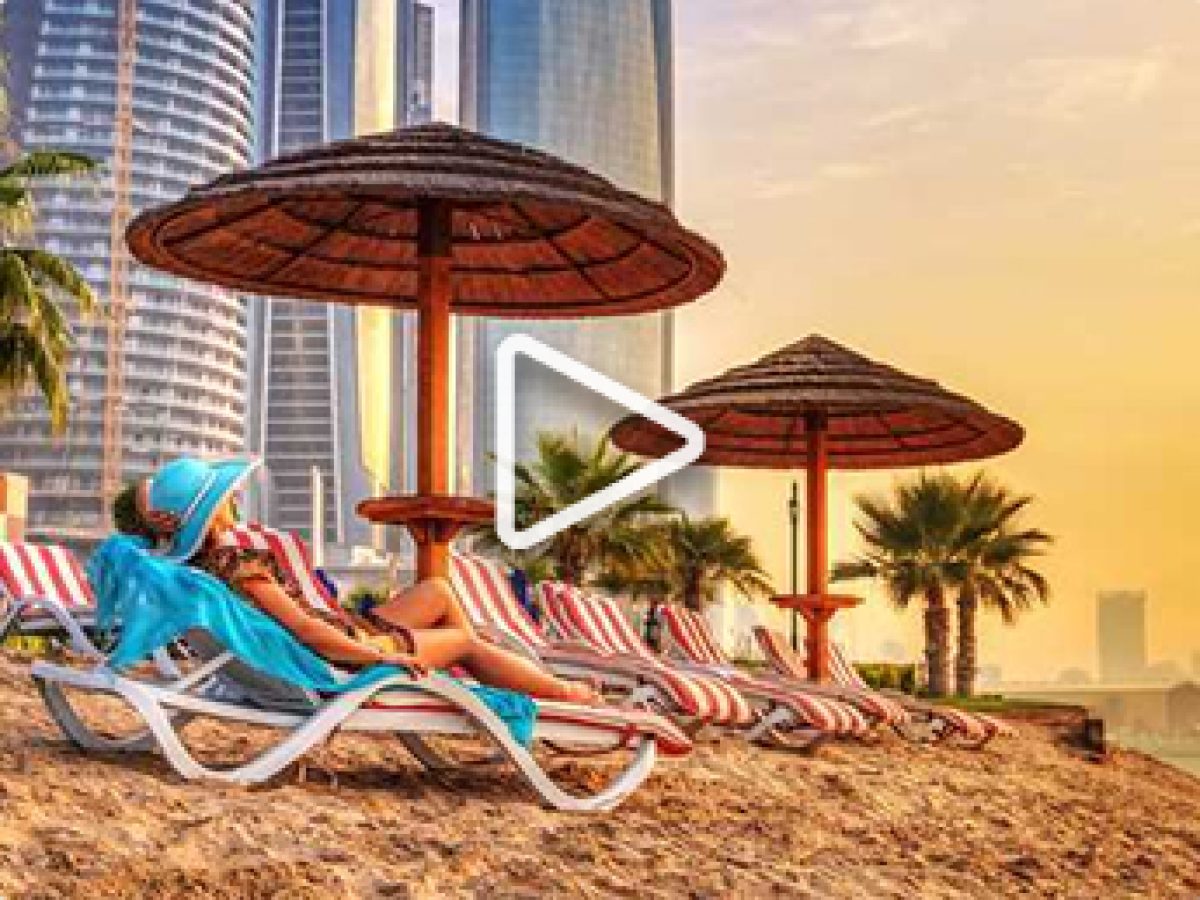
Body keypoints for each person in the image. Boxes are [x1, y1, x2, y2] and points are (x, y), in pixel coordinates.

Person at [113, 457, 599, 706]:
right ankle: (560, 693)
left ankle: (482, 682)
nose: (233, 500)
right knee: (465, 642)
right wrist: (382, 658)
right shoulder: (239, 567)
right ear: (213, 512)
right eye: (225, 497)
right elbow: (306, 631)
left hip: (341, 632)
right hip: (340, 658)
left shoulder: (200, 572)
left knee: (438, 591)